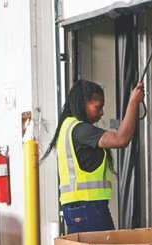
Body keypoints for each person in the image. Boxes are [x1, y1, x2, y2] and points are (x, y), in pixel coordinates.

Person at [47, 78, 144, 234]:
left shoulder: (67, 126)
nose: (102, 113)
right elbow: (121, 139)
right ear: (83, 103)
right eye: (98, 107)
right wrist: (133, 102)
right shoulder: (80, 130)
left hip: (78, 209)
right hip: (88, 208)